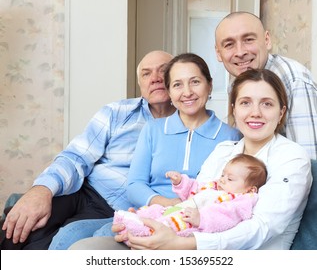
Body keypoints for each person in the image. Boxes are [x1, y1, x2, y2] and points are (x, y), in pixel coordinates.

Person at [70, 68, 312, 250]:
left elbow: (261, 228)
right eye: (245, 103)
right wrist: (152, 218)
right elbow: (196, 201)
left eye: (267, 104)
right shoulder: (224, 151)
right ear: (234, 109)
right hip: (184, 243)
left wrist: (179, 244)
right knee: (85, 250)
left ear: (281, 112)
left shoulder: (292, 158)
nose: (255, 112)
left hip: (239, 256)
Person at [50, 52, 241, 249]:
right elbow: (134, 185)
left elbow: (231, 191)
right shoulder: (154, 129)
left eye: (195, 82)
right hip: (149, 214)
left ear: (209, 85)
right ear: (169, 90)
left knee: (101, 236)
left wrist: (184, 210)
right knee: (68, 234)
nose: (187, 92)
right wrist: (167, 203)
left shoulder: (231, 137)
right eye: (177, 85)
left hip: (193, 223)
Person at [0, 50, 177, 250]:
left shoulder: (188, 130)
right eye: (146, 74)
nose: (155, 78)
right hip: (82, 191)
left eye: (163, 71)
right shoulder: (117, 112)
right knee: (15, 230)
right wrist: (42, 190)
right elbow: (76, 157)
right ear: (140, 83)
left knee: (57, 245)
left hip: (116, 212)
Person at [215, 11, 317, 159]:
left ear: (267, 40)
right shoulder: (235, 84)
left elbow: (310, 162)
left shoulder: (295, 80)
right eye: (229, 44)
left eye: (248, 40)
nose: (240, 52)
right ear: (219, 53)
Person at [113, 153, 267, 237]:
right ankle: (135, 219)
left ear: (250, 189)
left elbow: (225, 218)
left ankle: (139, 230)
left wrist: (201, 219)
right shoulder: (214, 187)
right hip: (178, 208)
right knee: (155, 210)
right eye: (223, 174)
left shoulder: (238, 202)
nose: (223, 179)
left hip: (190, 222)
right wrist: (180, 182)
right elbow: (195, 190)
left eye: (230, 178)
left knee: (168, 224)